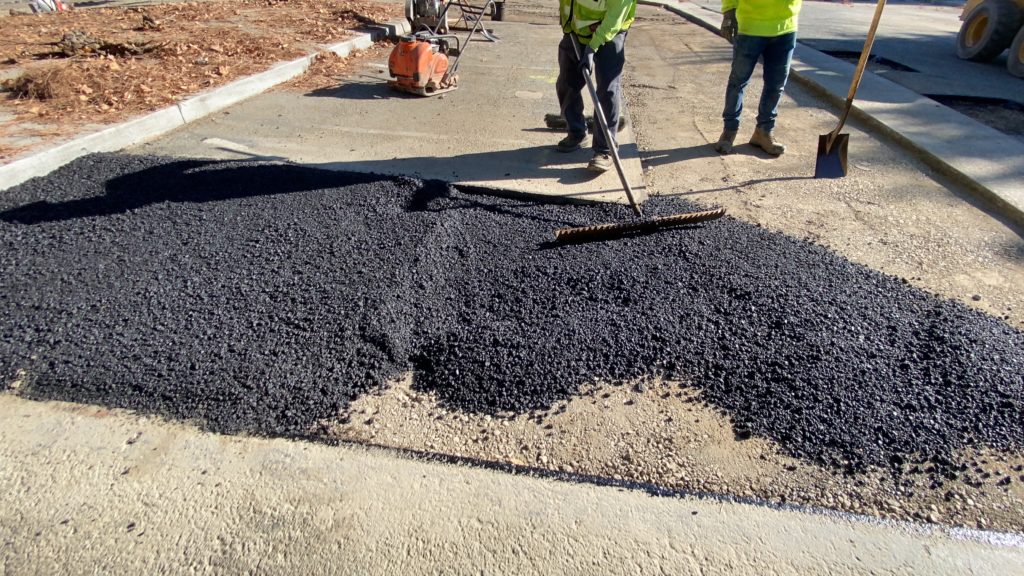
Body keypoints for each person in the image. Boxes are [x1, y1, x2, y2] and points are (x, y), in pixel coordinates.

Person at [555, 0, 637, 173]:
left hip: (610, 31)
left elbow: (614, 17)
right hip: (575, 31)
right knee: (566, 82)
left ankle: (604, 150)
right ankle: (577, 132)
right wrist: (567, 23)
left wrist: (592, 48)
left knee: (607, 89)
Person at [714, 0, 802, 156]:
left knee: (776, 85)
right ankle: (729, 131)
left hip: (786, 26)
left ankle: (764, 131)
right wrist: (729, 11)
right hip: (750, 25)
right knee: (738, 82)